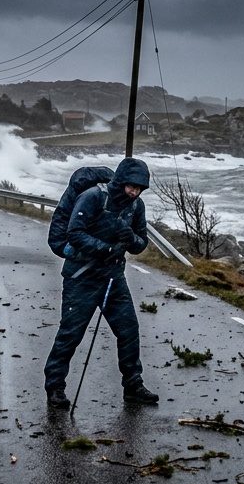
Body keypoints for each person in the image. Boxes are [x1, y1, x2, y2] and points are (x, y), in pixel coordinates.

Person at [43, 157, 159, 408]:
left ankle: (133, 385)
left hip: (113, 278)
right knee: (70, 335)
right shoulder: (94, 196)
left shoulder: (136, 206)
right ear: (121, 180)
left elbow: (141, 243)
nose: (134, 191)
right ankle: (55, 387)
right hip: (81, 276)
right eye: (131, 186)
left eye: (139, 188)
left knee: (129, 331)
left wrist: (130, 239)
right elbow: (74, 233)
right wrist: (106, 249)